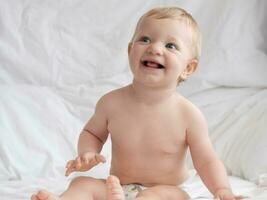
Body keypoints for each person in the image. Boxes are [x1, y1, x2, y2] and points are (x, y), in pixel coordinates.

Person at [31, 6, 244, 200]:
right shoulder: (111, 103)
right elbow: (92, 133)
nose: (155, 48)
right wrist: (87, 152)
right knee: (81, 184)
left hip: (165, 190)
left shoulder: (189, 115)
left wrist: (222, 190)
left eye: (170, 45)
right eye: (145, 39)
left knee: (164, 197)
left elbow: (206, 161)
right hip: (118, 186)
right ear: (130, 50)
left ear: (188, 68)